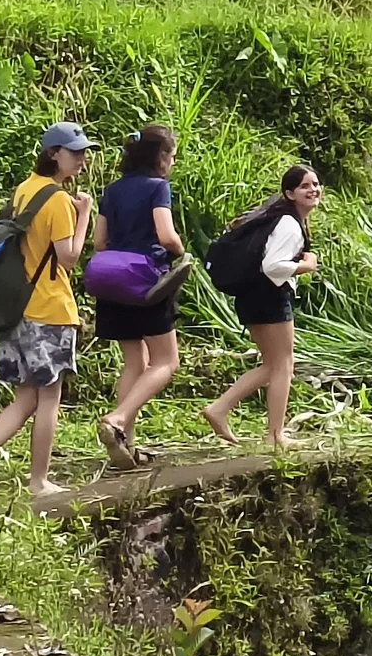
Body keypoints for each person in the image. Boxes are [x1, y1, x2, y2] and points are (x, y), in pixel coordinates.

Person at [0, 123, 96, 500]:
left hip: (17, 308)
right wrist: (84, 213)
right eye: (75, 152)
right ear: (53, 153)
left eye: (84, 152)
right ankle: (39, 480)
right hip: (50, 309)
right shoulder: (57, 201)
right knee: (49, 398)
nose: (82, 159)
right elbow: (68, 258)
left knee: (26, 396)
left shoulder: (24, 191)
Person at [201, 164, 325, 449]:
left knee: (273, 364)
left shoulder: (278, 218)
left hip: (250, 295)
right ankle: (275, 435)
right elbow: (273, 266)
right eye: (305, 186)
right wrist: (305, 266)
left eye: (316, 184)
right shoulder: (289, 225)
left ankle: (220, 409)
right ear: (290, 193)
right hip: (269, 295)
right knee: (284, 365)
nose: (313, 190)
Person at [91, 124, 192, 470]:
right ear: (161, 157)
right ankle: (118, 418)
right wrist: (181, 250)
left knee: (134, 363)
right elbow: (166, 236)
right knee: (166, 361)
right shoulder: (157, 188)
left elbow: (99, 241)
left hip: (112, 281)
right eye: (172, 156)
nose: (172, 163)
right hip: (147, 283)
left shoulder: (113, 190)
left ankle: (125, 444)